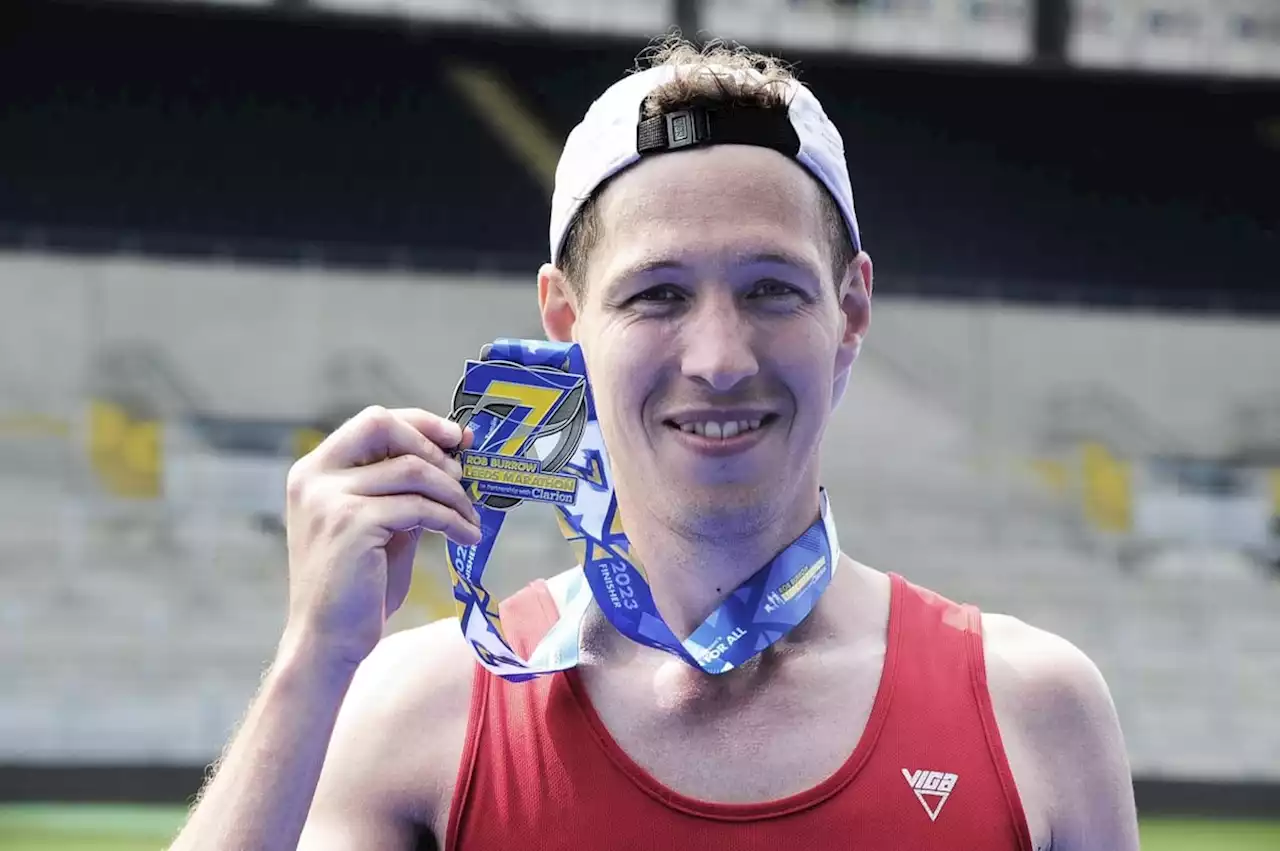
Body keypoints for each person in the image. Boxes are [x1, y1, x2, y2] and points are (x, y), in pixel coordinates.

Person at [167, 37, 1140, 851]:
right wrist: (310, 662)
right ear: (563, 322)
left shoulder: (1033, 713)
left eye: (771, 287)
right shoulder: (422, 713)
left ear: (849, 312)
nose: (718, 357)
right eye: (656, 294)